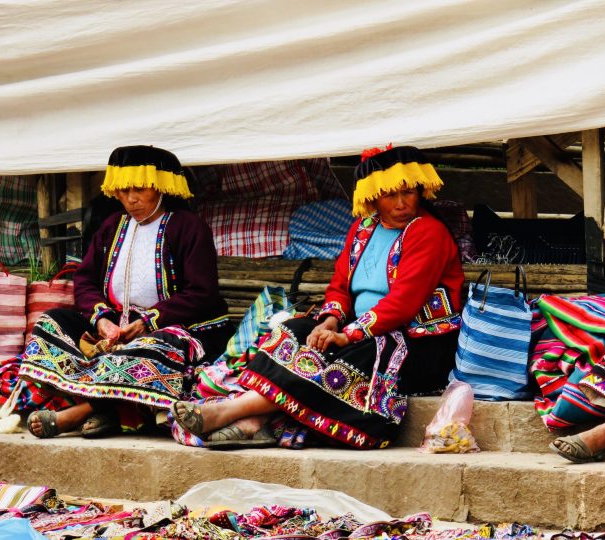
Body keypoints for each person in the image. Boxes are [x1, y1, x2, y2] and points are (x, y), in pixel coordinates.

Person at [172, 145, 465, 449]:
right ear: (373, 196)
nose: (403, 203)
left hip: (417, 343)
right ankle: (254, 423)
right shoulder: (363, 229)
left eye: (409, 192)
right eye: (391, 195)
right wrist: (329, 322)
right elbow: (340, 285)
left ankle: (231, 411)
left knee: (349, 356)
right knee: (296, 331)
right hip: (363, 329)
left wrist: (348, 335)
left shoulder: (428, 232)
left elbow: (403, 302)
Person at [20, 145, 233, 438]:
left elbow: (201, 292)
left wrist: (149, 322)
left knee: (149, 351)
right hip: (117, 328)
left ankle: (85, 411)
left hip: (178, 328)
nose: (130, 199)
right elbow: (85, 280)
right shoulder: (112, 226)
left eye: (139, 189)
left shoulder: (188, 227)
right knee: (49, 324)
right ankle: (110, 406)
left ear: (161, 185)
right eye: (123, 190)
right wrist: (101, 319)